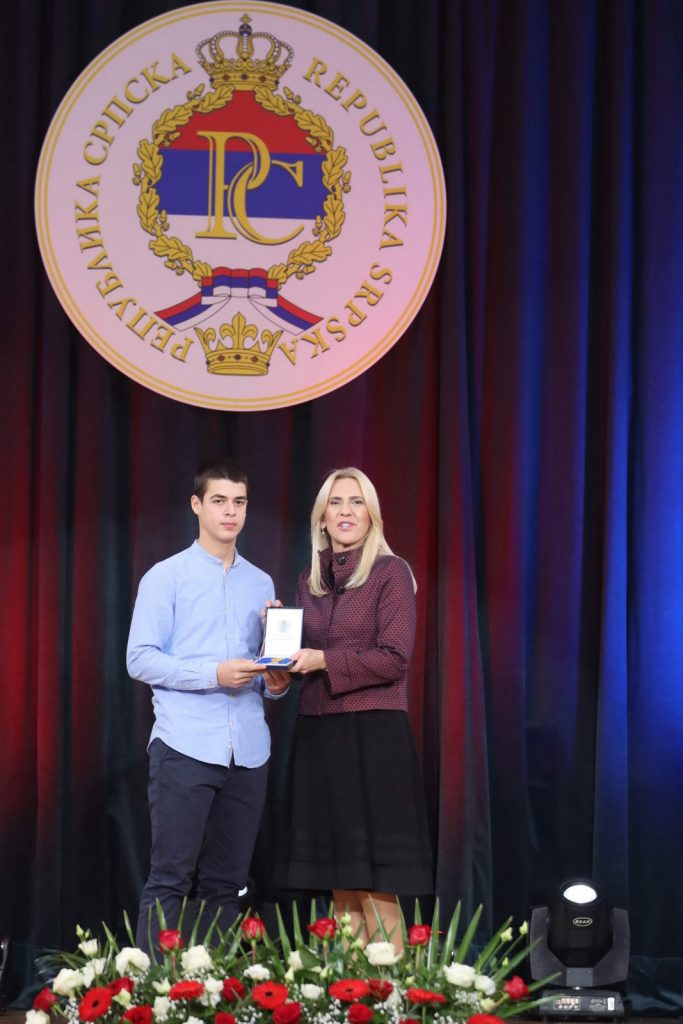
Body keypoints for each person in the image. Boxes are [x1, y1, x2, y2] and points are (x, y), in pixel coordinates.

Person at [127, 457, 289, 951]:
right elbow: (139, 659)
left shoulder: (261, 583)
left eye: (239, 502)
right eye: (219, 501)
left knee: (227, 885)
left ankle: (211, 985)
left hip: (249, 753)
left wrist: (278, 681)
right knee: (169, 878)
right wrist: (212, 674)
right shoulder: (165, 577)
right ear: (196, 505)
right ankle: (154, 991)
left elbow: (268, 679)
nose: (230, 512)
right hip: (184, 746)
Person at [275, 468, 433, 946]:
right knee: (339, 880)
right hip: (319, 736)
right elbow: (299, 660)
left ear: (372, 516)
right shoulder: (308, 581)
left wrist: (324, 659)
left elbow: (394, 658)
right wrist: (277, 641)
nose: (346, 511)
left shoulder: (391, 572)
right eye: (336, 502)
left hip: (374, 735)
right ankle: (348, 987)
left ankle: (395, 985)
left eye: (356, 502)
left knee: (375, 883)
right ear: (322, 518)